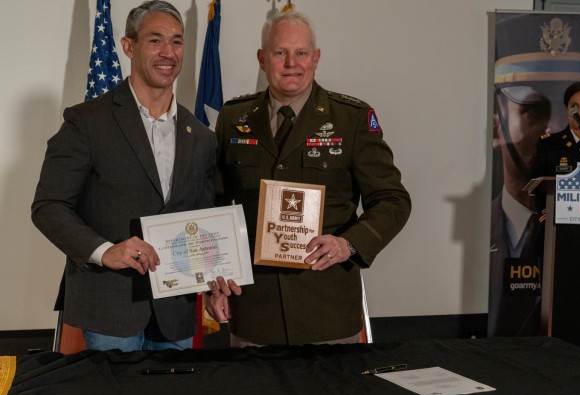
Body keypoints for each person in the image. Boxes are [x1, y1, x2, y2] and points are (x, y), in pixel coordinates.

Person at [31, 0, 240, 352]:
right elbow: (48, 206)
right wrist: (104, 251)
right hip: (111, 307)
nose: (168, 52)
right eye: (155, 40)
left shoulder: (201, 136)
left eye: (176, 41)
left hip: (177, 311)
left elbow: (202, 220)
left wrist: (213, 281)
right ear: (128, 46)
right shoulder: (87, 122)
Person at [213, 9, 411, 346]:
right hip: (255, 311)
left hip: (327, 312)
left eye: (301, 53)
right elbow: (215, 204)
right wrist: (215, 276)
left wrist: (348, 244)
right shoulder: (234, 118)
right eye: (280, 53)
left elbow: (393, 200)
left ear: (315, 58)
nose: (292, 62)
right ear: (262, 59)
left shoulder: (351, 119)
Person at [489, 13, 580, 337]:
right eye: (533, 108)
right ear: (499, 119)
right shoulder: (552, 147)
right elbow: (540, 186)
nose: (551, 125)